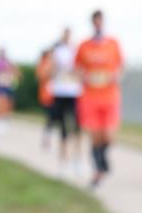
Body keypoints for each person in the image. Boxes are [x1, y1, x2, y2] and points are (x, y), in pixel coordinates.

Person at [74, 10, 124, 188]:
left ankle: (103, 158)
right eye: (95, 21)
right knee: (95, 135)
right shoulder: (84, 45)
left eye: (100, 21)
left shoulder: (113, 44)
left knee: (109, 135)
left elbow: (120, 66)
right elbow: (77, 67)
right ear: (92, 23)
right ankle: (98, 170)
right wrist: (83, 76)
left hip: (109, 96)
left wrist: (116, 76)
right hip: (90, 96)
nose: (98, 24)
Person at [48, 28, 83, 178]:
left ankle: (77, 160)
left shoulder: (77, 51)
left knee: (77, 127)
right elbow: (51, 70)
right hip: (60, 91)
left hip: (74, 92)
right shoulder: (57, 51)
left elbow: (81, 70)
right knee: (63, 128)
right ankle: (63, 162)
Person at [0, 47, 17, 132]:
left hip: (7, 85)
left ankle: (4, 118)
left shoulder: (8, 62)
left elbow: (14, 72)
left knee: (7, 103)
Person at [35, 48, 55, 150]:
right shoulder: (43, 64)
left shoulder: (53, 63)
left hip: (55, 96)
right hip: (47, 97)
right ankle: (46, 140)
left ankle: (48, 140)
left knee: (52, 120)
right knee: (49, 119)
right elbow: (40, 77)